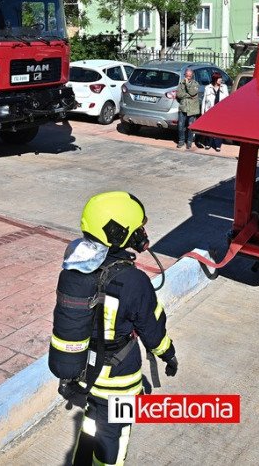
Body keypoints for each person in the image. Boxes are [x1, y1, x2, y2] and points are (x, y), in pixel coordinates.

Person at [49, 191, 178, 465]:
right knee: (114, 437)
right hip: (118, 378)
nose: (141, 234)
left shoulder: (76, 268)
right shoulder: (133, 280)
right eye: (136, 229)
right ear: (119, 233)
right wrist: (168, 354)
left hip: (85, 372)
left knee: (91, 424)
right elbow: (152, 330)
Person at [197, 72, 230, 152]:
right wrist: (203, 112)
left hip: (220, 112)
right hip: (210, 111)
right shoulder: (208, 88)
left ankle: (218, 145)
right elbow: (204, 100)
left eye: (221, 78)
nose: (221, 80)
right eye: (219, 78)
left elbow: (228, 100)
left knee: (219, 128)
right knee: (209, 128)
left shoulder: (224, 87)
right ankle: (208, 143)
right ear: (215, 79)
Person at [176, 69, 201, 149]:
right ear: (184, 75)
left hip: (192, 109)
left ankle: (189, 142)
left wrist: (187, 84)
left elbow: (192, 93)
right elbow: (179, 94)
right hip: (183, 107)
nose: (188, 78)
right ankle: (181, 141)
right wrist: (187, 96)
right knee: (180, 125)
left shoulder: (195, 84)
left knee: (190, 126)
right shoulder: (180, 83)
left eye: (189, 76)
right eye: (187, 76)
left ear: (192, 76)